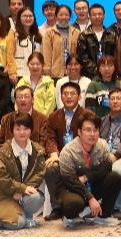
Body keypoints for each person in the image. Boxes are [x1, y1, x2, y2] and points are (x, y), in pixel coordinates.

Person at [56, 112, 120, 226]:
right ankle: (71, 217)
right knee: (72, 204)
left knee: (114, 178)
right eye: (88, 130)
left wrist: (86, 177)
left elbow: (107, 166)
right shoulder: (68, 151)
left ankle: (103, 215)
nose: (92, 134)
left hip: (93, 185)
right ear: (79, 132)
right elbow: (70, 180)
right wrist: (90, 198)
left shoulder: (102, 145)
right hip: (73, 189)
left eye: (95, 130)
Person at [0, 115, 46, 230]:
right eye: (18, 129)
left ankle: (25, 213)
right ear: (12, 130)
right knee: (18, 223)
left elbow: (39, 173)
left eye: (26, 128)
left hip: (23, 193)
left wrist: (24, 190)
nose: (22, 132)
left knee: (37, 198)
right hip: (4, 195)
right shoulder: (3, 151)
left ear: (31, 129)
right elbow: (2, 178)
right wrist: (20, 189)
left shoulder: (38, 150)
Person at [42, 81, 89, 217]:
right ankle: (57, 206)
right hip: (59, 156)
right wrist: (54, 154)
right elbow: (49, 138)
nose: (69, 97)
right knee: (51, 168)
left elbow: (89, 139)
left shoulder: (86, 115)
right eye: (65, 94)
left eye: (72, 94)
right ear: (61, 96)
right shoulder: (53, 116)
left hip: (79, 157)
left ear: (79, 96)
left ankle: (81, 203)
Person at [0, 86, 49, 155]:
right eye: (19, 97)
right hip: (9, 156)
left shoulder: (43, 119)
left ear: (33, 99)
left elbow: (43, 144)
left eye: (26, 96)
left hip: (34, 156)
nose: (23, 100)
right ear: (15, 101)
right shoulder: (6, 119)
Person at [16, 52, 56, 117]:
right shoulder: (22, 82)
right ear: (28, 64)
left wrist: (40, 119)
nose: (35, 67)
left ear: (43, 65)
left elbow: (51, 105)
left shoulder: (48, 83)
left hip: (43, 120)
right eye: (32, 64)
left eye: (38, 64)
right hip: (23, 119)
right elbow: (17, 102)